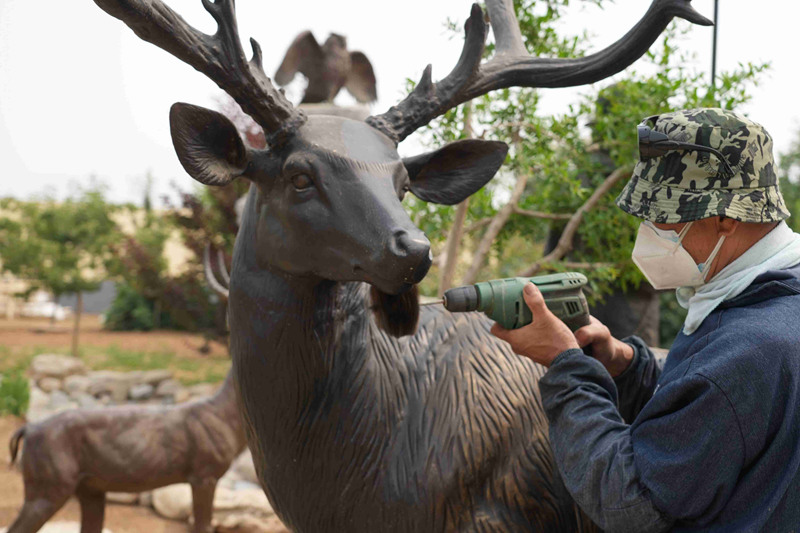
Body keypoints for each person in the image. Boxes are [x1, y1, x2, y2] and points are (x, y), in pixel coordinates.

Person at [492, 108, 800, 532]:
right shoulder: (775, 304)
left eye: (663, 217)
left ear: (726, 218)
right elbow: (725, 420)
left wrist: (567, 369)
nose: (647, 232)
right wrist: (627, 367)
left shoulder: (745, 351)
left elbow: (631, 503)